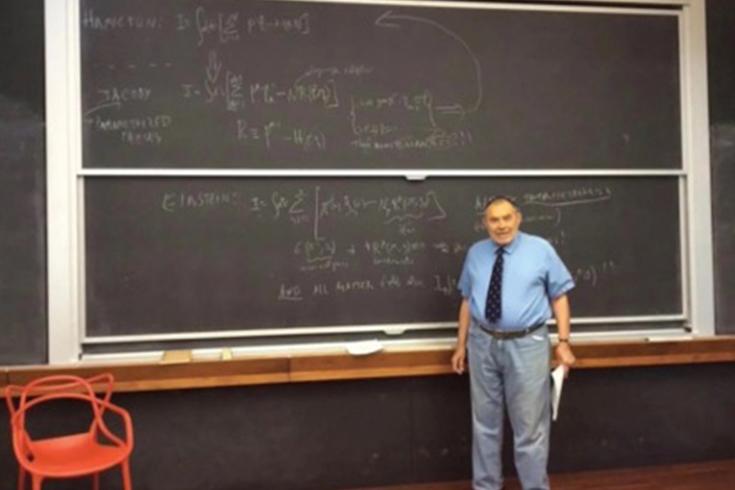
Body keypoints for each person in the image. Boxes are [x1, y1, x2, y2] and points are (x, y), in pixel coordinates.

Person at [451, 196, 576, 490]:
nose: (501, 225)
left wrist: (564, 342)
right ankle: (486, 487)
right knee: (484, 425)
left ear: (518, 218)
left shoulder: (541, 250)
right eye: (494, 220)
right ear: (485, 224)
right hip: (482, 343)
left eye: (507, 218)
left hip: (528, 344)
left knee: (530, 427)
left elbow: (559, 297)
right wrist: (461, 346)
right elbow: (467, 301)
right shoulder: (476, 253)